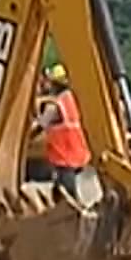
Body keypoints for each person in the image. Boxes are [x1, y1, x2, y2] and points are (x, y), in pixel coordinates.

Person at [34, 64, 90, 202]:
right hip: (76, 154)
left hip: (64, 156)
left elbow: (41, 125)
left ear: (54, 83)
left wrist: (25, 138)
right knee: (63, 193)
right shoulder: (71, 100)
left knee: (68, 196)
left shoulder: (55, 105)